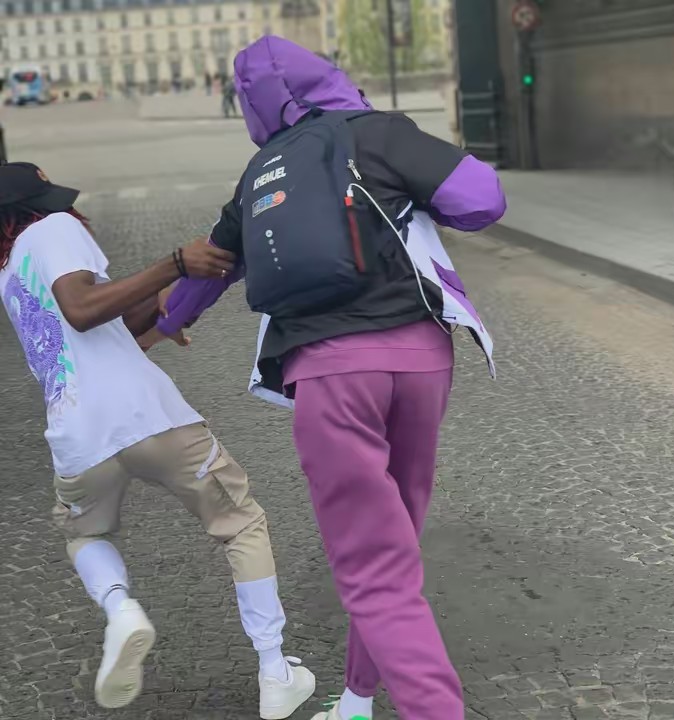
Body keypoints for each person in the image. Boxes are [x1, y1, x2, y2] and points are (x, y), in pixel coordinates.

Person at [150, 36, 506, 720]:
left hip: (333, 376)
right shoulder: (381, 134)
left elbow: (206, 275)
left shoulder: (260, 176)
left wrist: (156, 328)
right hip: (423, 363)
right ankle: (358, 700)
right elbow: (483, 201)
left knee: (374, 567)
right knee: (395, 543)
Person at [0, 162, 315, 719]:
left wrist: (161, 318)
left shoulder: (8, 276)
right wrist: (174, 263)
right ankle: (275, 671)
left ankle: (121, 611)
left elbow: (102, 331)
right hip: (147, 417)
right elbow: (82, 310)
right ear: (30, 210)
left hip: (78, 437)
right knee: (240, 522)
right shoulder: (53, 229)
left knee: (83, 534)